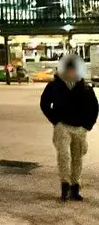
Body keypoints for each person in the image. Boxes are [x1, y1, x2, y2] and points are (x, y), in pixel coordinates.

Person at [40, 53, 99, 201]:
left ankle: (75, 188)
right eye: (68, 69)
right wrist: (55, 120)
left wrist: (87, 125)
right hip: (63, 127)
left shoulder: (85, 87)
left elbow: (94, 107)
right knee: (64, 156)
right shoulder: (54, 85)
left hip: (80, 128)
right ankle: (65, 186)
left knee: (77, 158)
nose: (71, 72)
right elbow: (44, 103)